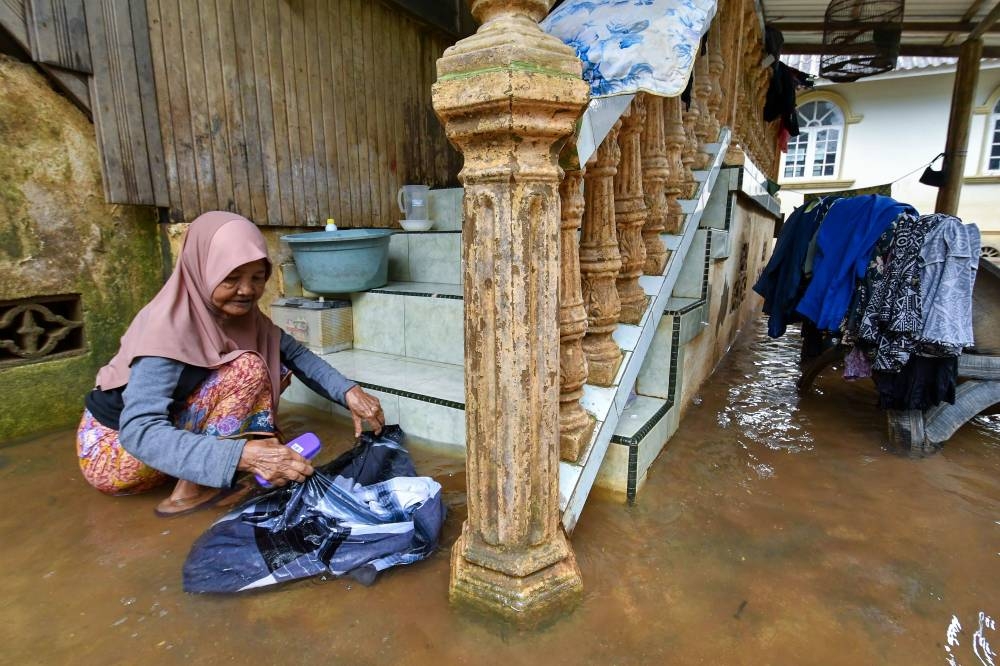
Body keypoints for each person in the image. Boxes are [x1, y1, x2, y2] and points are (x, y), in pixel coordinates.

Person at [76, 211, 384, 516]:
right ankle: (189, 492)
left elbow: (296, 355)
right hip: (116, 454)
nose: (247, 290)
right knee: (247, 368)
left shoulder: (244, 318)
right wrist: (242, 456)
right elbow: (139, 431)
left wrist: (349, 392)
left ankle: (214, 466)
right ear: (201, 271)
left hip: (160, 448)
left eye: (257, 278)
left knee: (274, 360)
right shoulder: (167, 325)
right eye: (231, 278)